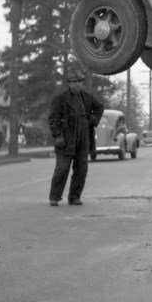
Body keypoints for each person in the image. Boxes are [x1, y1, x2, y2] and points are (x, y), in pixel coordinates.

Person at [48, 68, 104, 206]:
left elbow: (100, 107)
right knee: (62, 169)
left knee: (81, 169)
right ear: (69, 84)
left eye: (79, 81)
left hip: (83, 138)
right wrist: (58, 135)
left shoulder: (86, 97)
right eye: (74, 82)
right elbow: (54, 119)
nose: (77, 84)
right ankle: (54, 197)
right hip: (66, 140)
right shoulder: (60, 99)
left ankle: (74, 197)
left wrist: (93, 119)